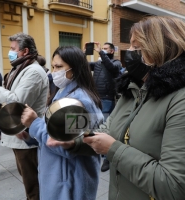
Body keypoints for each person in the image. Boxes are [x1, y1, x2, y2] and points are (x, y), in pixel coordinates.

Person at [83, 15, 185, 200]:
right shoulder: (133, 88)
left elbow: (173, 186)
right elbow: (107, 127)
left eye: (137, 47)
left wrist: (112, 149)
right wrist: (62, 129)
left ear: (162, 50)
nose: (129, 53)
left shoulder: (180, 100)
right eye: (130, 46)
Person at [20, 46, 104, 200]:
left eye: (59, 67)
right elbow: (51, 131)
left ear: (75, 69)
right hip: (57, 177)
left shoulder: (80, 100)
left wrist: (34, 124)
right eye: (53, 66)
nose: (54, 72)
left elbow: (67, 146)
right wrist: (28, 134)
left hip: (70, 184)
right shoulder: (62, 91)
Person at [0, 33, 49, 199]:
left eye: (13, 49)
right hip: (20, 133)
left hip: (27, 135)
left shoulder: (33, 71)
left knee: (33, 184)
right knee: (28, 179)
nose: (10, 52)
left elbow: (17, 101)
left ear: (25, 51)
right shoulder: (21, 68)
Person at [84, 42, 122, 172]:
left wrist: (100, 52)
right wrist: (84, 53)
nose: (102, 51)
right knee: (95, 124)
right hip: (95, 98)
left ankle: (107, 156)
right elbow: (84, 66)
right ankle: (97, 149)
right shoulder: (98, 63)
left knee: (105, 126)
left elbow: (111, 68)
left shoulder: (116, 63)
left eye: (105, 49)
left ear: (111, 51)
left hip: (107, 98)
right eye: (102, 49)